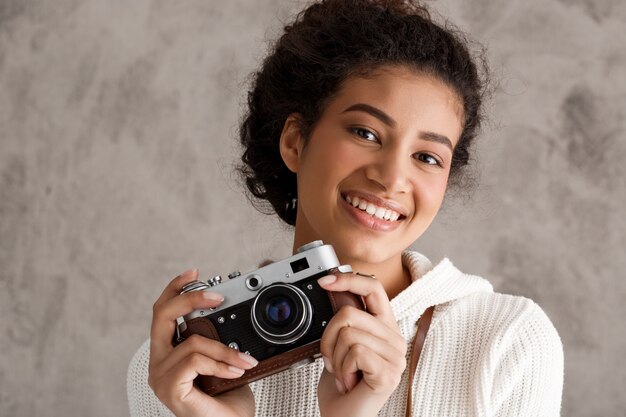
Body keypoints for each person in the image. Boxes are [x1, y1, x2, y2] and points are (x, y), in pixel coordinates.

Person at [127, 0, 564, 416]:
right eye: (365, 133)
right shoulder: (184, 365)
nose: (392, 178)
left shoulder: (506, 340)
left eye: (427, 157)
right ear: (296, 141)